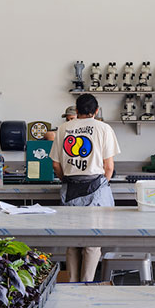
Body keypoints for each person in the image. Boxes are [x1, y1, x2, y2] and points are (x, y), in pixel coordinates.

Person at [52, 93, 119, 282]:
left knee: (73, 241)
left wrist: (66, 179)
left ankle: (71, 284)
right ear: (96, 111)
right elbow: (109, 167)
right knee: (92, 241)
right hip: (96, 188)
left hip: (70, 188)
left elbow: (56, 165)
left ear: (77, 109)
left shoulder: (64, 128)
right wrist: (101, 184)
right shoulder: (103, 128)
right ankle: (87, 284)